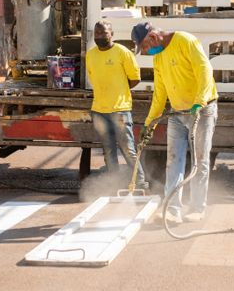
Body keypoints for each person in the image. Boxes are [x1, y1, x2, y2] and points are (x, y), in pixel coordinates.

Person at [131, 22, 218, 223]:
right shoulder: (159, 57)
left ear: (152, 37)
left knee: (200, 161)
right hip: (177, 114)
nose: (145, 52)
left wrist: (200, 101)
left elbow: (205, 70)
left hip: (202, 111)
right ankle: (172, 209)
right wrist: (149, 123)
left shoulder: (185, 41)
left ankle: (197, 208)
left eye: (144, 46)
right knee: (173, 162)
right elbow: (160, 94)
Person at [86, 20, 149, 189]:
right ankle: (113, 183)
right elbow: (93, 77)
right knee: (108, 151)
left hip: (120, 110)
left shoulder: (122, 52)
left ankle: (140, 182)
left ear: (111, 34)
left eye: (104, 33)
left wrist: (119, 90)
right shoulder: (90, 55)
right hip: (99, 110)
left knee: (128, 149)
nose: (100, 36)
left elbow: (135, 78)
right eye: (97, 33)